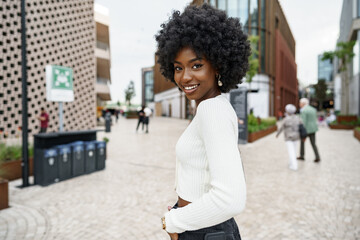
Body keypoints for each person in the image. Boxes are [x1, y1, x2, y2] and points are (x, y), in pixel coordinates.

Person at [155, 3, 250, 240]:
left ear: (217, 65)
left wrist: (174, 220)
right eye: (178, 68)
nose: (185, 77)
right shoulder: (212, 107)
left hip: (205, 231)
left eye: (196, 65)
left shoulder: (212, 110)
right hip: (204, 225)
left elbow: (231, 199)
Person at [276, 104, 301, 171]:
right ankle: (291, 163)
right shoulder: (297, 118)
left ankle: (294, 165)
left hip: (289, 137)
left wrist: (277, 134)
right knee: (294, 151)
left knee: (291, 151)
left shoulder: (286, 119)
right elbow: (301, 126)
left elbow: (281, 128)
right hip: (296, 137)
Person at [297, 98, 321, 162]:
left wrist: (301, 130)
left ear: (303, 103)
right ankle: (317, 156)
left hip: (306, 129)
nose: (299, 104)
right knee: (313, 143)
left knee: (302, 142)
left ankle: (302, 155)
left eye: (300, 103)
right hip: (313, 129)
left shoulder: (304, 110)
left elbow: (303, 121)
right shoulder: (313, 109)